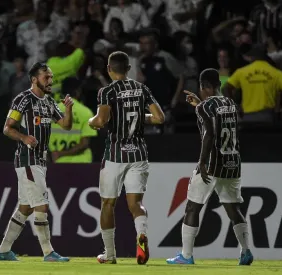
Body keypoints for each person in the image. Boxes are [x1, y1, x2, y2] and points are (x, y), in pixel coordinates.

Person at [166, 69, 253, 265]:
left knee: (192, 207)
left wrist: (202, 162)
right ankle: (246, 251)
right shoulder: (230, 103)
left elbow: (210, 134)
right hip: (233, 162)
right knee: (233, 208)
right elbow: (219, 119)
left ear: (203, 86)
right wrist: (200, 104)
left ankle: (186, 256)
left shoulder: (205, 107)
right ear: (218, 85)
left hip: (213, 163)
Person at [88, 51, 165, 265]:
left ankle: (110, 254)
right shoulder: (142, 89)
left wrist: (90, 121)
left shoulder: (107, 91)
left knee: (108, 204)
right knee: (136, 204)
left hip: (115, 154)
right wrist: (142, 118)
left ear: (109, 69)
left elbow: (101, 120)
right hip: (139, 154)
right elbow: (159, 118)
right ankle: (141, 234)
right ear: (129, 69)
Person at [0, 62, 73, 262]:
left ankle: (3, 251)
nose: (50, 81)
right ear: (34, 79)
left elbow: (65, 125)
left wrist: (69, 109)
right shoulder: (23, 99)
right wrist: (24, 137)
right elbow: (7, 128)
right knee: (41, 205)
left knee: (26, 207)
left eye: (51, 77)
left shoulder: (48, 101)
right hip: (27, 159)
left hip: (40, 160)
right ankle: (48, 253)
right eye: (46, 77)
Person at [49, 77, 97, 163]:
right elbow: (84, 143)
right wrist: (62, 153)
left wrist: (57, 154)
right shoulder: (86, 112)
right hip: (81, 162)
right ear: (78, 91)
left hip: (57, 162)